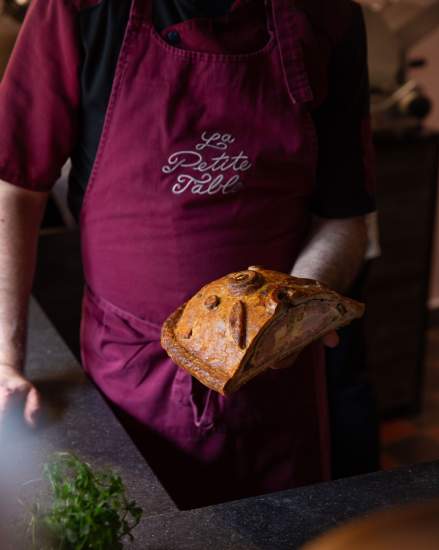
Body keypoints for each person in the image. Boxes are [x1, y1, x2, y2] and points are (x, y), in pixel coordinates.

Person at [0, 0, 376, 509]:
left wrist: (292, 313)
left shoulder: (328, 17)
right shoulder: (79, 11)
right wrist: (6, 358)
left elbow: (343, 218)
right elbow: (15, 184)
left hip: (277, 387)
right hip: (131, 379)